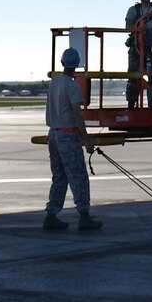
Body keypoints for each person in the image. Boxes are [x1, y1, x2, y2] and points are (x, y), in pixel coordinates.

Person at [43, 47, 100, 231]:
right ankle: (84, 216)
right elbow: (77, 113)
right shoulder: (73, 86)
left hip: (53, 135)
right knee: (78, 176)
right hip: (68, 135)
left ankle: (51, 214)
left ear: (61, 63)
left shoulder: (54, 83)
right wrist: (87, 140)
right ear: (77, 65)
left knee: (59, 176)